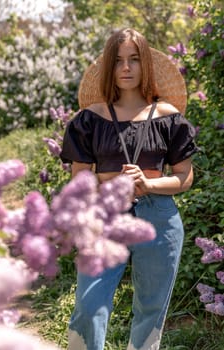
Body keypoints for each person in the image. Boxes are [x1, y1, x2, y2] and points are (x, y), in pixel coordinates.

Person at [60, 28, 198, 350]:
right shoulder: (89, 119)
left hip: (159, 217)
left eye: (134, 60)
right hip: (103, 216)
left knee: (151, 309)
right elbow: (79, 181)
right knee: (89, 305)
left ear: (145, 65)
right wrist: (112, 183)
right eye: (119, 61)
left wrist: (148, 183)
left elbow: (184, 177)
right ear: (109, 67)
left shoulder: (169, 118)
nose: (126, 68)